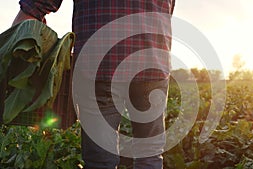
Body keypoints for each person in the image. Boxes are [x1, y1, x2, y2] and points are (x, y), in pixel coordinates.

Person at [13, 0, 175, 169]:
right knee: (149, 153)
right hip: (152, 60)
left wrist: (26, 20)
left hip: (99, 61)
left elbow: (35, 7)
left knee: (100, 160)